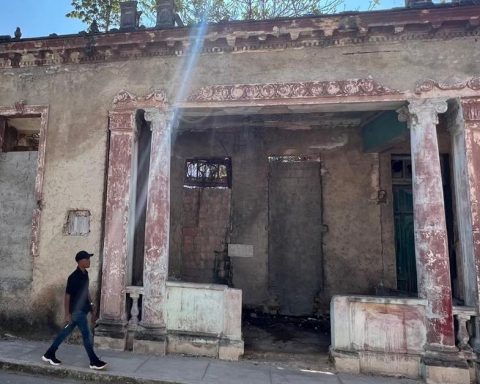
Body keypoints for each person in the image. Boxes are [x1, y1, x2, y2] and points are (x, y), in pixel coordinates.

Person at [42, 250, 107, 370]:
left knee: (64, 332)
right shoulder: (73, 277)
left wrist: (91, 303)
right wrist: (67, 314)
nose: (89, 261)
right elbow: (67, 296)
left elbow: (86, 290)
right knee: (87, 335)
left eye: (89, 259)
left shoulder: (85, 274)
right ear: (80, 261)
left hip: (83, 309)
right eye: (87, 259)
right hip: (77, 312)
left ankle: (49, 354)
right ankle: (93, 361)